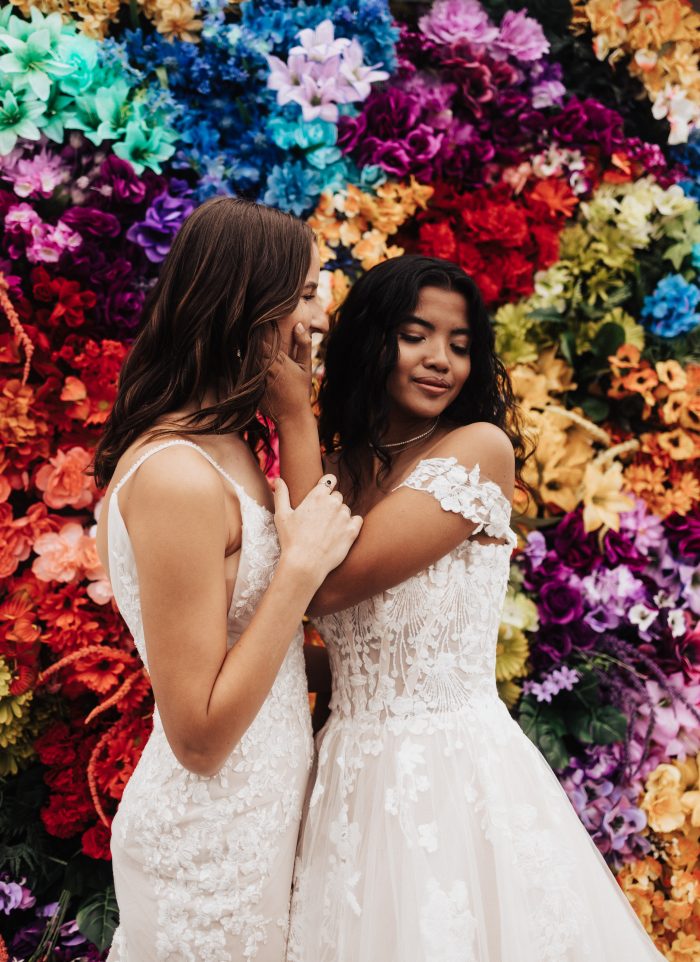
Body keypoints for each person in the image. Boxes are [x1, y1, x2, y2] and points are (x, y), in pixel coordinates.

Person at [278, 255, 665, 961]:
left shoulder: (477, 450)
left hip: (449, 776)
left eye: (460, 345)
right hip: (347, 774)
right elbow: (355, 639)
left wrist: (291, 416)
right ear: (371, 341)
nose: (441, 360)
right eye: (416, 335)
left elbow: (324, 585)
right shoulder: (341, 469)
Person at [93, 196, 362, 962]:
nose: (321, 314)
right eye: (308, 293)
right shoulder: (176, 475)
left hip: (264, 823)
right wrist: (299, 567)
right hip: (206, 844)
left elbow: (269, 647)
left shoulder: (235, 447)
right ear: (251, 307)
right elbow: (199, 735)